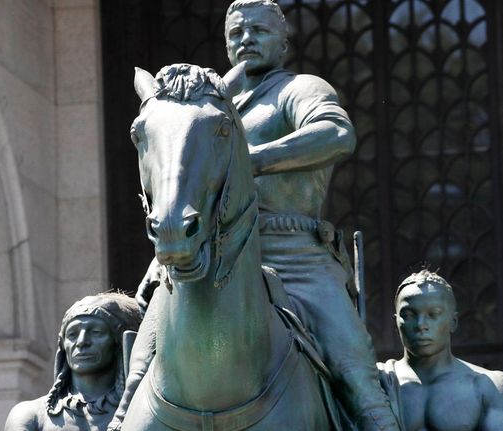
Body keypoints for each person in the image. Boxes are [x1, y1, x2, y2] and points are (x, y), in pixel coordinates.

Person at [115, 1, 400, 430]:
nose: (246, 39)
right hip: (208, 253)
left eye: (259, 31)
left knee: (356, 377)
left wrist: (251, 160)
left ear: (283, 41)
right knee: (138, 372)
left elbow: (337, 133)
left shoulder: (299, 89)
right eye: (236, 33)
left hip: (293, 254)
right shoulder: (210, 97)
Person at [378, 270, 503, 430]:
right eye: (409, 315)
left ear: (453, 322)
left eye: (433, 314)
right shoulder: (376, 382)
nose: (421, 325)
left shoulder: (489, 386)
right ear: (396, 323)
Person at [5, 293, 142, 431]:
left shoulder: (142, 410)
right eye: (72, 334)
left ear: (119, 342)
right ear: (63, 346)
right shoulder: (30, 415)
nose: (82, 342)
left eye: (96, 332)